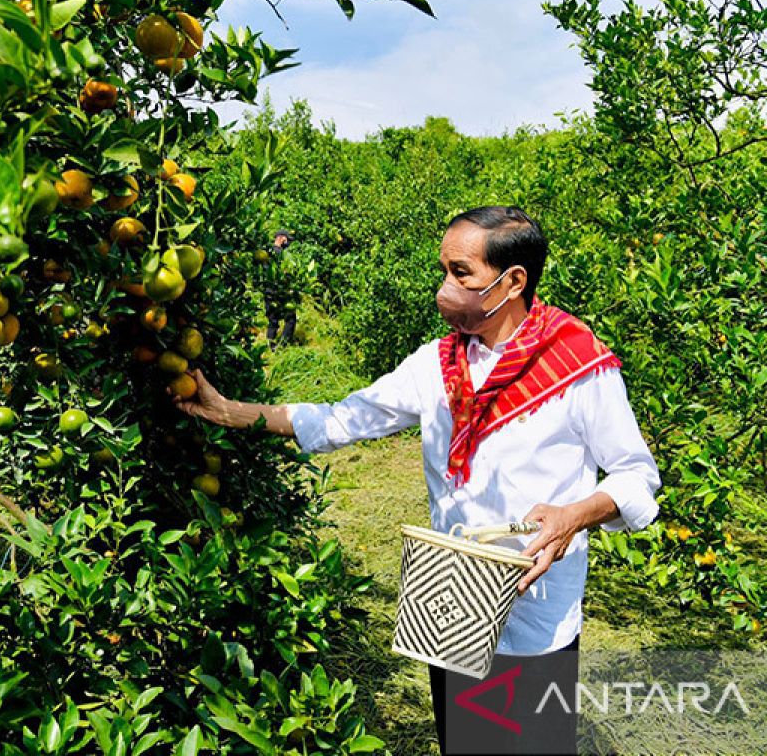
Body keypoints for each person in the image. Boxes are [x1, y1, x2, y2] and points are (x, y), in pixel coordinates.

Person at [170, 206, 661, 755]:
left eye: (461, 273)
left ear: (514, 280)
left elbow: (637, 477)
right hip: (452, 599)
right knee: (464, 741)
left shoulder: (578, 363)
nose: (445, 288)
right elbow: (344, 418)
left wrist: (576, 514)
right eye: (443, 271)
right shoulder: (438, 363)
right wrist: (229, 411)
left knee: (532, 744)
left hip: (535, 611)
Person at [262, 230, 298, 347]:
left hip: (268, 290)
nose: (288, 243)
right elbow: (286, 273)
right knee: (290, 318)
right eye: (288, 240)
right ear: (282, 238)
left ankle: (270, 346)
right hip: (279, 292)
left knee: (272, 320)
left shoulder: (266, 253)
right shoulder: (281, 255)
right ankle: (283, 345)